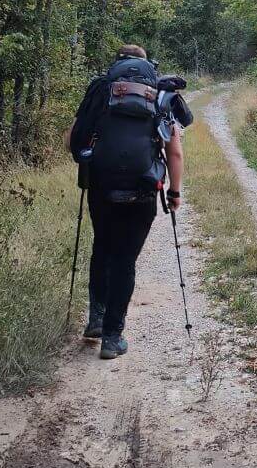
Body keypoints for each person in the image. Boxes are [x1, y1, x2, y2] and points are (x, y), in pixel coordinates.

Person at [65, 43, 183, 361]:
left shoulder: (101, 89)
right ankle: (113, 337)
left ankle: (96, 319)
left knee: (102, 248)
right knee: (125, 259)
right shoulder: (160, 93)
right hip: (142, 188)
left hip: (101, 186)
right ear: (147, 66)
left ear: (116, 64)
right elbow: (174, 151)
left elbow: (71, 140)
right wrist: (174, 192)